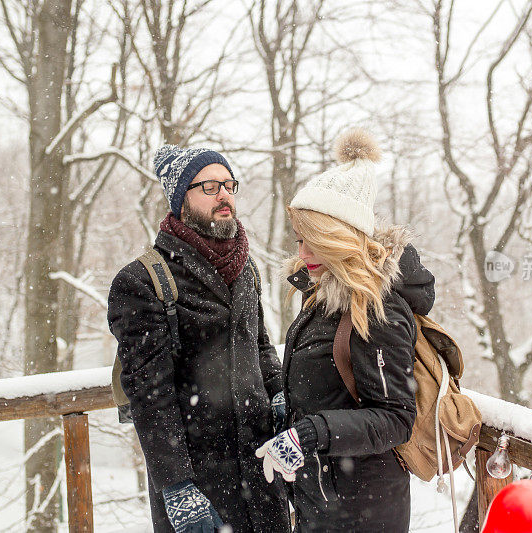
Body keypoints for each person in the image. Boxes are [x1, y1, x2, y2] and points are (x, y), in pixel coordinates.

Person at [254, 129, 436, 532]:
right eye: (299, 240)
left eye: (314, 242)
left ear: (342, 240)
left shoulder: (376, 306)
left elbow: (393, 418)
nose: (301, 254)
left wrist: (311, 433)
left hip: (363, 508)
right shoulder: (321, 294)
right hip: (321, 494)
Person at [108, 144, 289, 533]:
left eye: (228, 184)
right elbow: (148, 394)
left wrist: (277, 393)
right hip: (201, 483)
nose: (224, 195)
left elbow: (259, 347)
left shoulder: (245, 268)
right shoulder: (142, 281)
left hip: (262, 471)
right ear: (180, 201)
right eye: (208, 186)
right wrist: (177, 488)